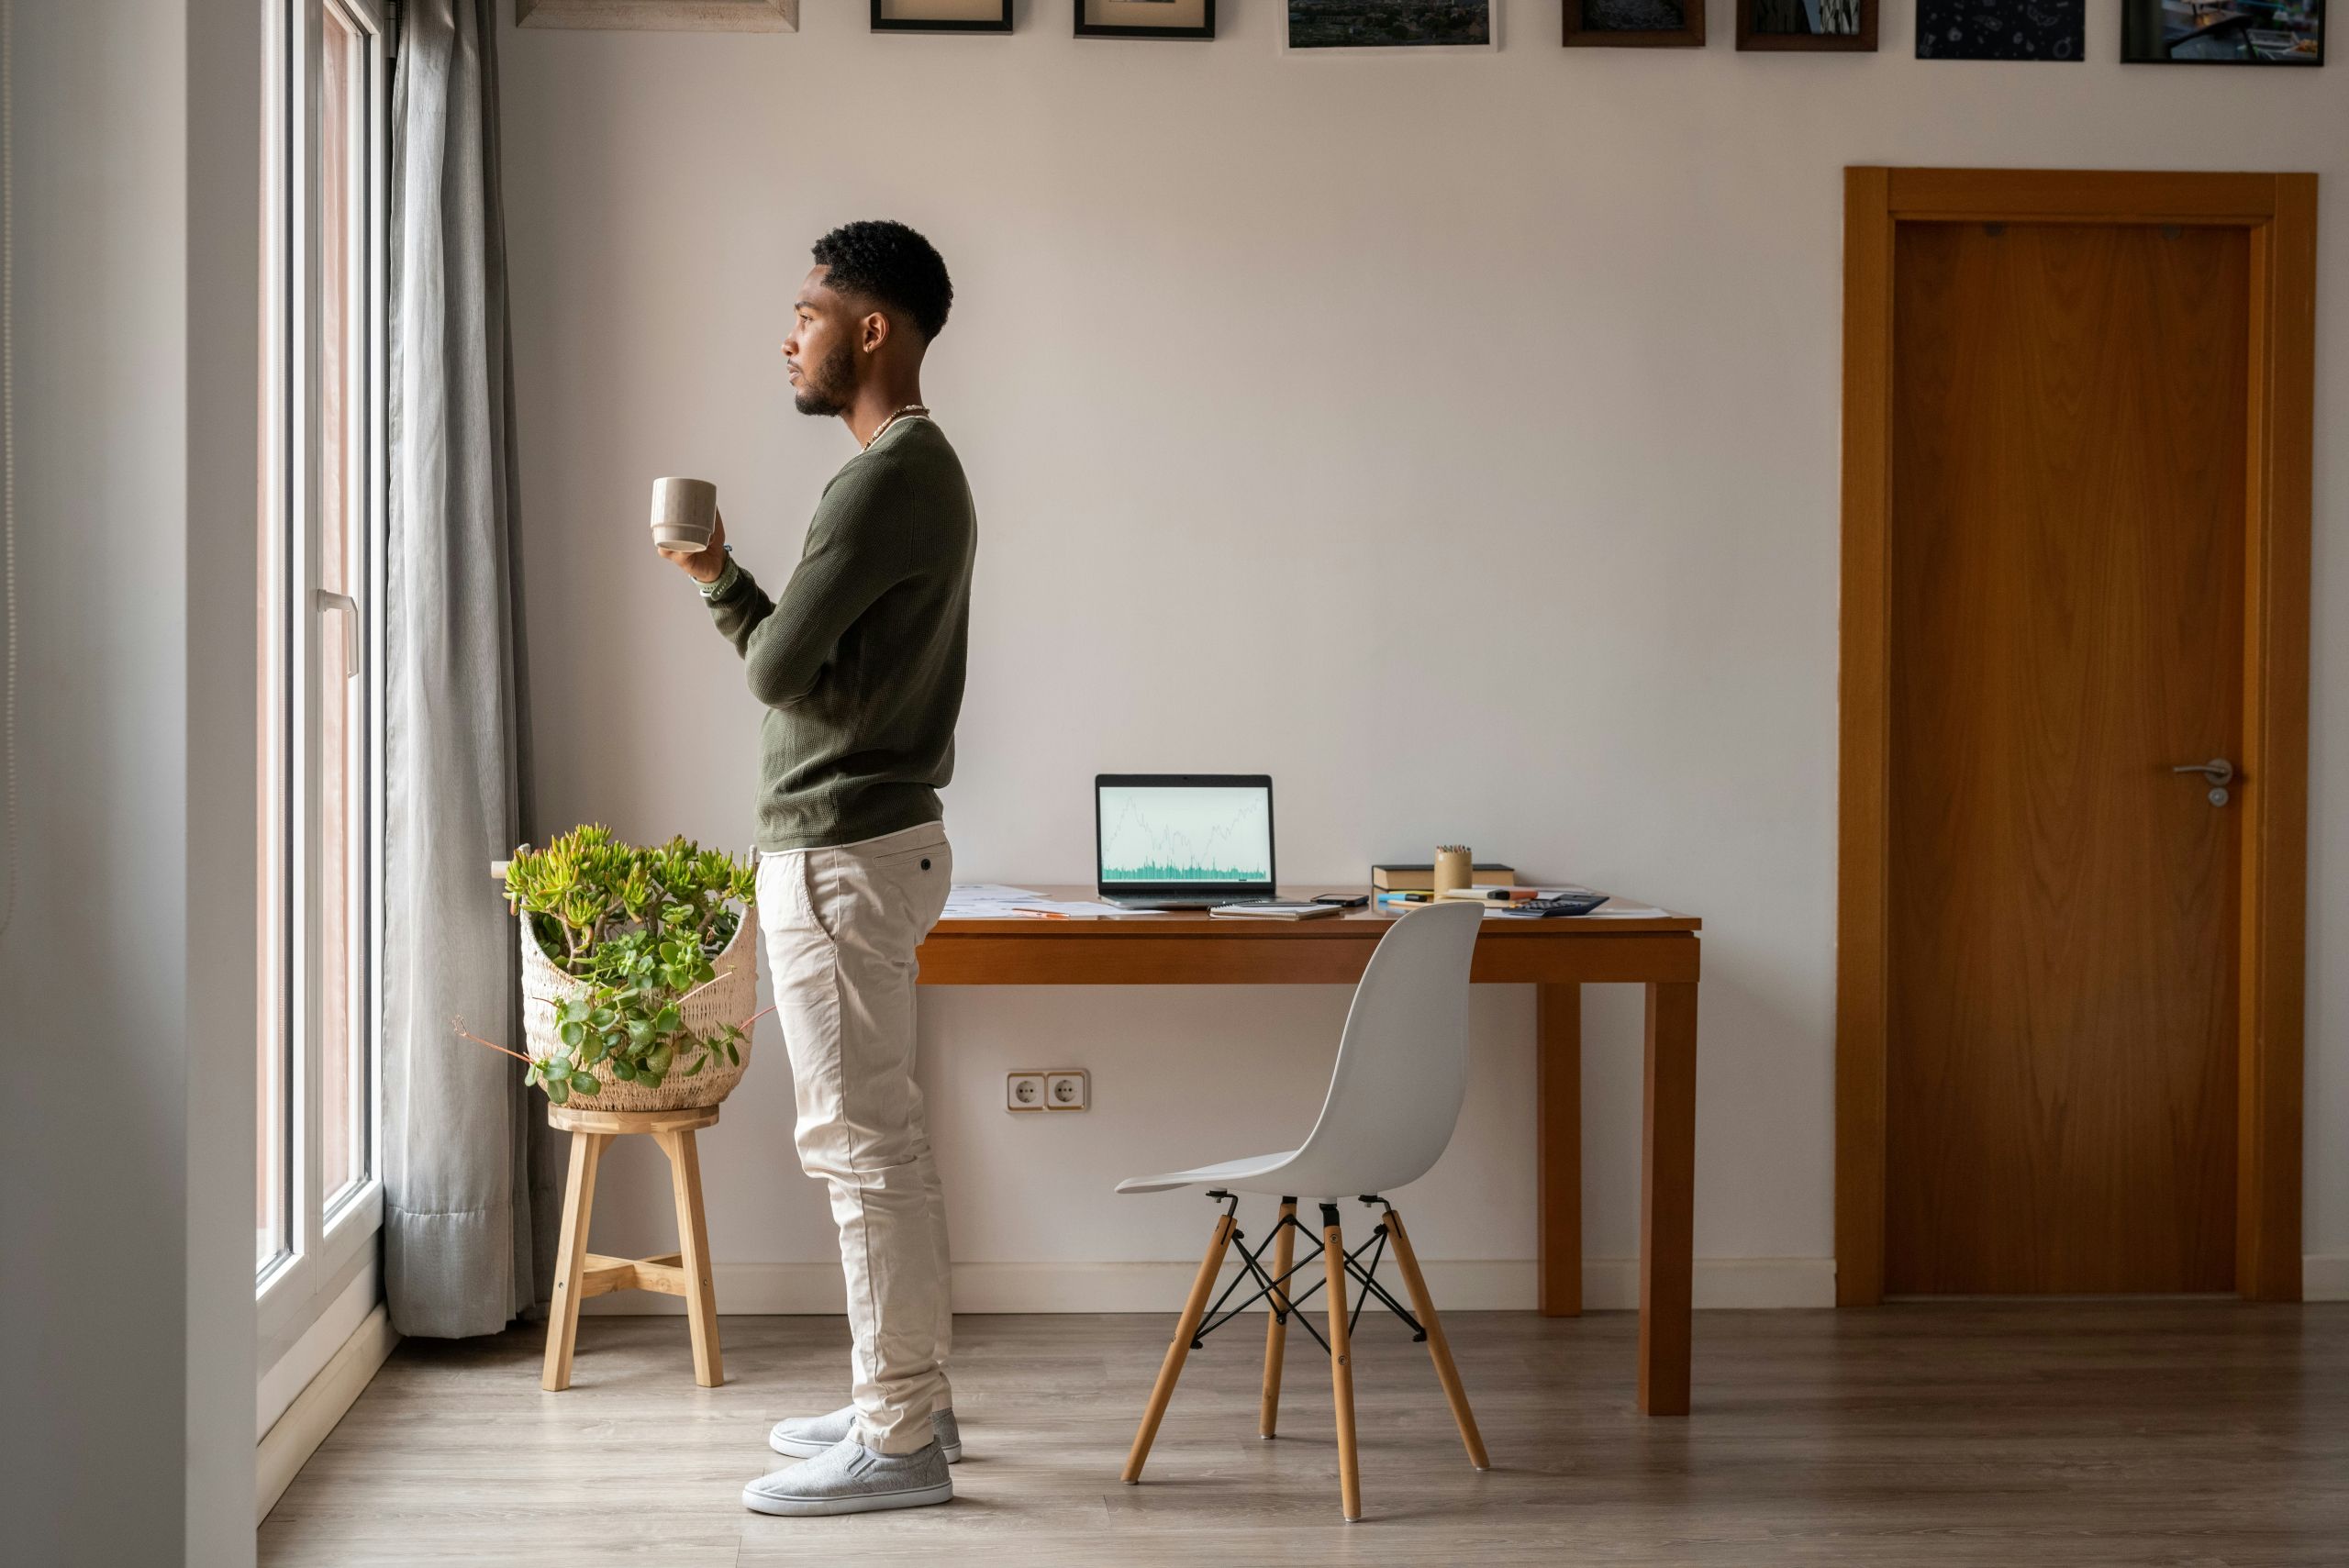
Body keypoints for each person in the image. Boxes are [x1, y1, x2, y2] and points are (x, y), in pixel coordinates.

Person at [658, 220, 974, 1518]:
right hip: (866, 841)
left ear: (872, 330)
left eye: (807, 311)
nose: (788, 335)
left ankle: (899, 1436)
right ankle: (908, 1398)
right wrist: (733, 581)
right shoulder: (915, 471)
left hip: (841, 849)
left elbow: (781, 670)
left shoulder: (884, 476)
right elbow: (815, 667)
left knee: (861, 1149)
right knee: (878, 1143)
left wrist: (722, 580)